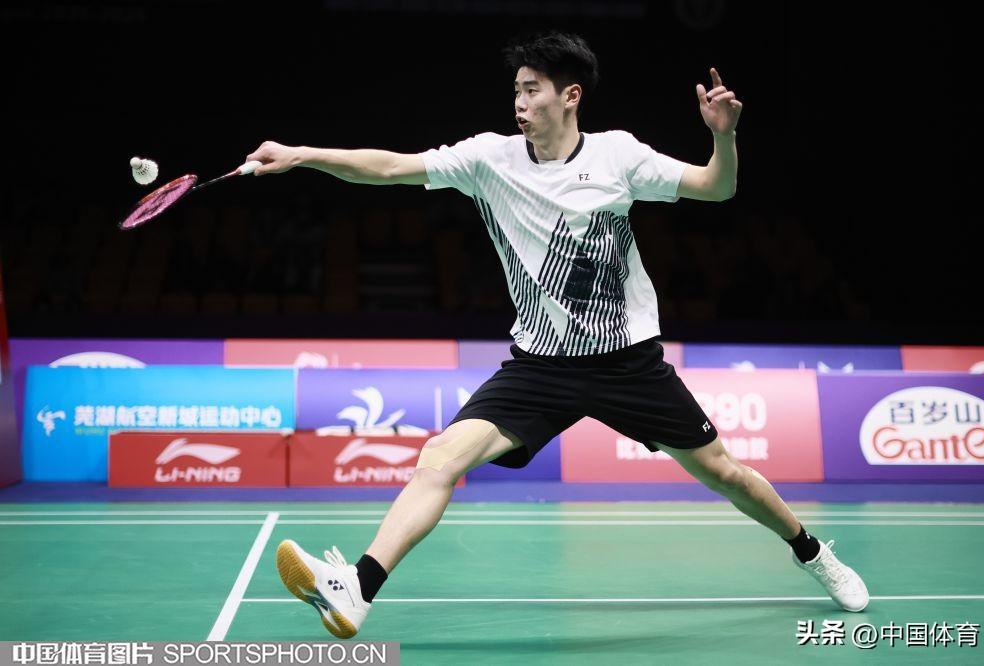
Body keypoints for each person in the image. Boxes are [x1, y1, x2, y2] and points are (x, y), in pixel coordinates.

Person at [251, 31, 869, 639]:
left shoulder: (618, 156)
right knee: (439, 458)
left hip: (627, 364)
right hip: (541, 366)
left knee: (724, 473)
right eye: (516, 91)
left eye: (532, 90)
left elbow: (717, 187)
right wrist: (303, 154)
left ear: (570, 95)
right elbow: (389, 168)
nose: (519, 103)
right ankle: (357, 589)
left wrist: (723, 137)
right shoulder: (487, 159)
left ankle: (813, 553)